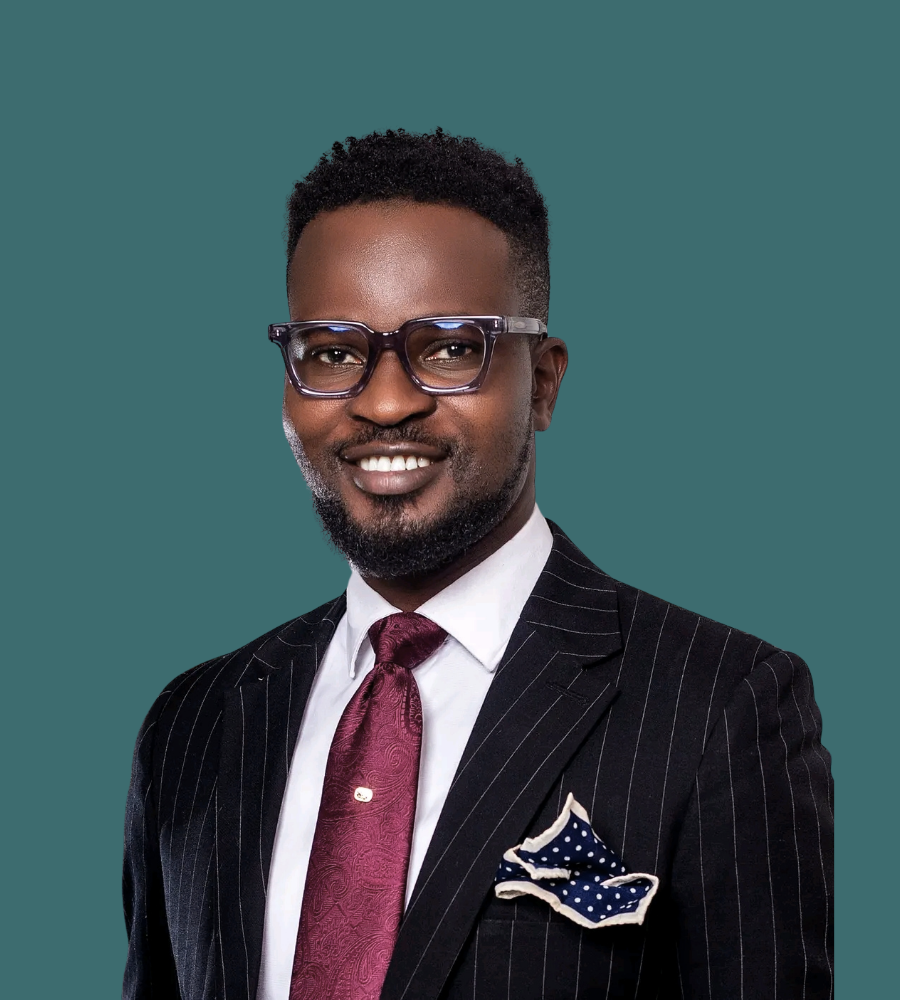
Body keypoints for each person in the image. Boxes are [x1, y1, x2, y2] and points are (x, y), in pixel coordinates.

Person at [122, 128, 833, 1000]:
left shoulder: (721, 705)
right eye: (333, 352)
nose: (386, 403)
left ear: (544, 384)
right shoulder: (192, 726)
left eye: (452, 347)